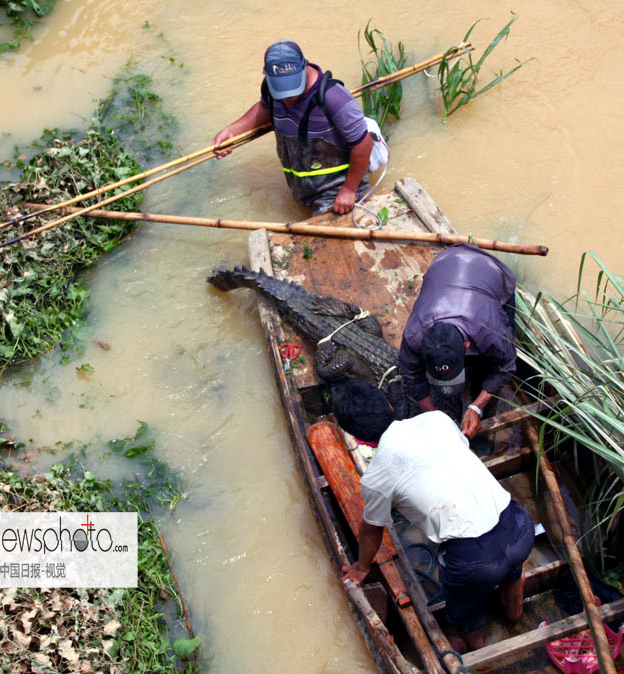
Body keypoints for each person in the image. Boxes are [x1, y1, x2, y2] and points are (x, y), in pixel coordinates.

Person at [333, 379, 534, 651]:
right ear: (390, 406)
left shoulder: (376, 475)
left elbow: (372, 529)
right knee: (511, 570)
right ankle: (514, 614)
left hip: (475, 562)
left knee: (463, 617)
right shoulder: (437, 419)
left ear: (358, 439)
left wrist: (361, 567)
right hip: (519, 527)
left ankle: (483, 654)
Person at [213, 40, 373, 216]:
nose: (288, 98)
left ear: (305, 67)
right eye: (282, 92)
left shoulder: (334, 99)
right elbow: (265, 109)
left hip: (335, 189)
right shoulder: (270, 90)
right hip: (302, 187)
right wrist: (232, 131)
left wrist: (349, 189)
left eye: (293, 89)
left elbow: (364, 144)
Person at [398, 243, 517, 439]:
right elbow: (411, 374)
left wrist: (477, 407)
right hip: (444, 264)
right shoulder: (414, 335)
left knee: (488, 366)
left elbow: (506, 363)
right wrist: (434, 416)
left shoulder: (490, 329)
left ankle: (481, 431)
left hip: (490, 271)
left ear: (466, 345)